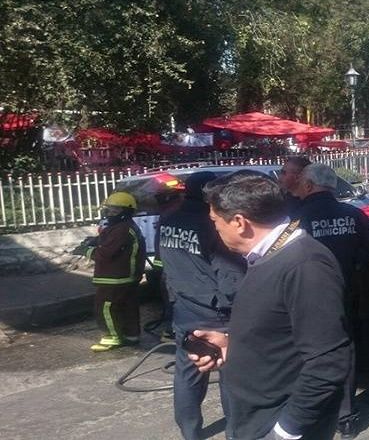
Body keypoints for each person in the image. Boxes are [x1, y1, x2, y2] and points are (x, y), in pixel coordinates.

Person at [190, 172, 352, 439]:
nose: (215, 230)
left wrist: (286, 430)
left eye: (215, 221)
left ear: (240, 222)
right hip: (255, 416)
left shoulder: (305, 266)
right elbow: (280, 329)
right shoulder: (268, 256)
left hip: (276, 423)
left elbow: (328, 361)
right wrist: (233, 345)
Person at [157, 172, 246, 440]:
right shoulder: (213, 224)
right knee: (230, 376)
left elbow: (164, 263)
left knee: (187, 375)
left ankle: (190, 432)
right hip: (218, 314)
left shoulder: (168, 219)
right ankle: (236, 433)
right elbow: (230, 276)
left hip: (185, 309)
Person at [296, 163, 369, 439]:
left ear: (309, 185)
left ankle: (311, 411)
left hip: (305, 295)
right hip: (346, 292)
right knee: (344, 349)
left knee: (306, 353)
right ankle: (345, 416)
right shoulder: (353, 214)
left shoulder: (296, 217)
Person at [85, 191, 146, 352]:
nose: (109, 213)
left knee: (106, 307)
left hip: (115, 277)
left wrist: (86, 251)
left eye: (115, 210)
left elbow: (105, 254)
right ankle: (131, 335)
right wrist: (96, 240)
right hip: (125, 277)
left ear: (125, 211)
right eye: (109, 209)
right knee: (127, 307)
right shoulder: (123, 226)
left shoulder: (121, 229)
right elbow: (110, 241)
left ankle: (111, 337)